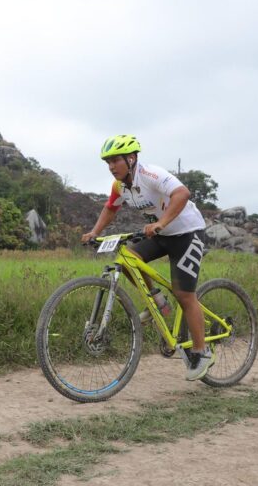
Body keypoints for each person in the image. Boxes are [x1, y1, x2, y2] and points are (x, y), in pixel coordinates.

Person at [81, 134, 213, 381]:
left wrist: (161, 222)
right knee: (129, 258)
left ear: (131, 159)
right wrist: (95, 232)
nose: (111, 167)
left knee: (184, 294)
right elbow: (111, 207)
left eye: (115, 161)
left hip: (187, 233)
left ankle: (201, 351)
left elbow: (182, 193)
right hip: (162, 233)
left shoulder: (151, 174)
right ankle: (158, 302)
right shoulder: (120, 186)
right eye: (107, 162)